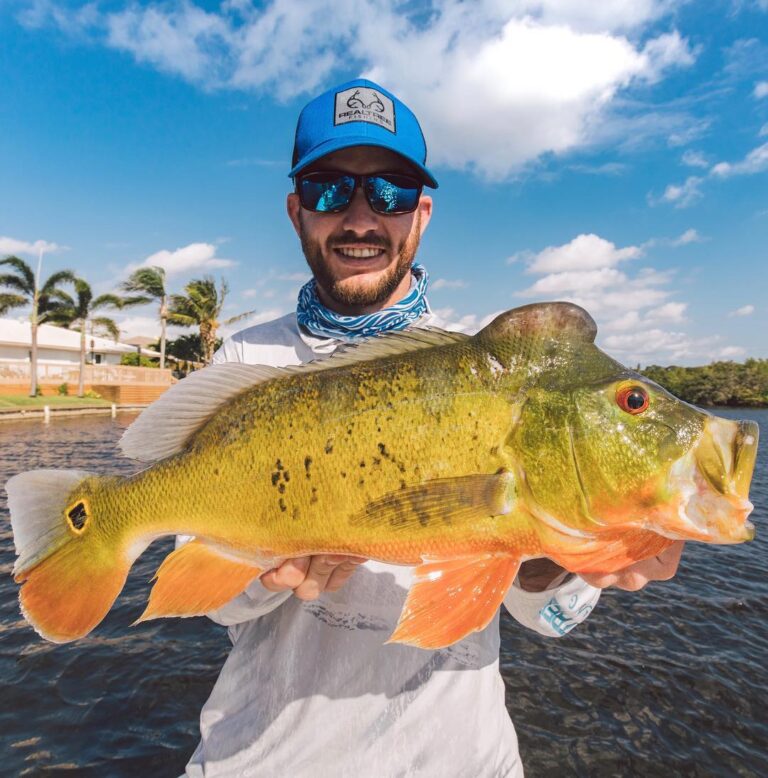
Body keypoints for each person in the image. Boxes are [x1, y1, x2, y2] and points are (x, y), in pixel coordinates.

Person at [183, 78, 684, 777]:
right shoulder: (245, 363)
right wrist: (266, 572)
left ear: (421, 213)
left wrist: (558, 546)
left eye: (388, 192)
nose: (360, 217)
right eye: (331, 189)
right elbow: (217, 608)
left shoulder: (494, 363)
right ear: (297, 210)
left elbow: (548, 618)